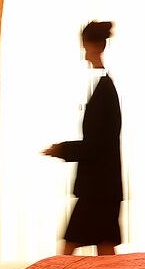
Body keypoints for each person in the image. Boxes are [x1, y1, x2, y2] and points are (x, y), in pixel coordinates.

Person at [43, 20, 122, 255]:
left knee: (69, 251)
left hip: (97, 190)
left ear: (95, 46)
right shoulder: (104, 86)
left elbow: (95, 146)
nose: (85, 54)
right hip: (103, 188)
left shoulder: (104, 90)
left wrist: (61, 149)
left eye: (86, 47)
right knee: (104, 249)